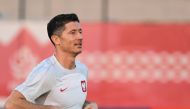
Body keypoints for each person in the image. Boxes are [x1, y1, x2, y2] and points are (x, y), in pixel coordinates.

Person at [4, 13, 98, 109]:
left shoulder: (83, 69)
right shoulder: (47, 71)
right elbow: (11, 103)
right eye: (73, 32)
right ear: (56, 39)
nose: (80, 37)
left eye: (80, 32)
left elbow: (69, 100)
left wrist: (87, 105)